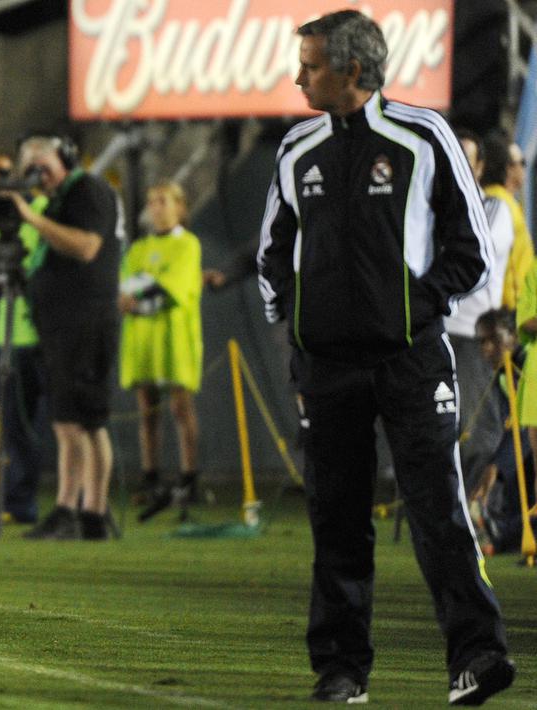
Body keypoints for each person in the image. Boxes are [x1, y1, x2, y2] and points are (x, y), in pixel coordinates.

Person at [257, 11, 512, 704]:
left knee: (437, 511)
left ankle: (477, 658)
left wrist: (412, 311)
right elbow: (271, 256)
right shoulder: (295, 148)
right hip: (326, 368)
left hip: (410, 362)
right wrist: (298, 333)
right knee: (335, 519)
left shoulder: (423, 137)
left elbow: (473, 253)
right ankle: (341, 670)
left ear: (350, 70)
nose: (297, 76)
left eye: (308, 65)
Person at [9, 134, 123, 541]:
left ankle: (73, 510)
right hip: (66, 323)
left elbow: (87, 246)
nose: (39, 176)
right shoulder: (63, 197)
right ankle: (87, 514)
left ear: (66, 157)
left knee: (77, 422)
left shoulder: (88, 189)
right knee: (76, 421)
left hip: (85, 321)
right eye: (32, 170)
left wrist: (32, 217)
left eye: (43, 165)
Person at [120, 181, 203, 522]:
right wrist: (141, 294)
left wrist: (141, 294)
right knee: (147, 411)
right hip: (143, 338)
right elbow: (127, 287)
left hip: (174, 338)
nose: (157, 207)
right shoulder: (139, 248)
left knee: (181, 408)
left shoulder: (188, 245)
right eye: (152, 201)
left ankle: (189, 478)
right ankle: (150, 476)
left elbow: (173, 289)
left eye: (164, 201)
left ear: (180, 207)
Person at [444, 129, 512, 493]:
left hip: (474, 334)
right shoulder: (433, 207)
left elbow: (473, 255)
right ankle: (446, 508)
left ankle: (468, 506)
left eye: (468, 161)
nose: (461, 168)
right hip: (438, 330)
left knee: (481, 433)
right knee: (437, 429)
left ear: (481, 167)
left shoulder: (495, 208)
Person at [0, 153, 48, 525]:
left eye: (4, 175)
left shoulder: (39, 212)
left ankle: (25, 500)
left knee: (29, 424)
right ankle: (15, 498)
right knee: (11, 424)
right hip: (7, 331)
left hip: (33, 334)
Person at [469, 309, 536, 555]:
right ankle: (500, 534)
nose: (487, 348)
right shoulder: (502, 374)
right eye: (482, 342)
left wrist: (494, 469)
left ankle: (501, 533)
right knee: (516, 487)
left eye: (494, 340)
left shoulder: (529, 364)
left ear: (514, 337)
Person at [481, 130, 535, 312]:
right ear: (508, 168)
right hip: (510, 310)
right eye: (522, 163)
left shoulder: (501, 202)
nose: (524, 168)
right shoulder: (502, 205)